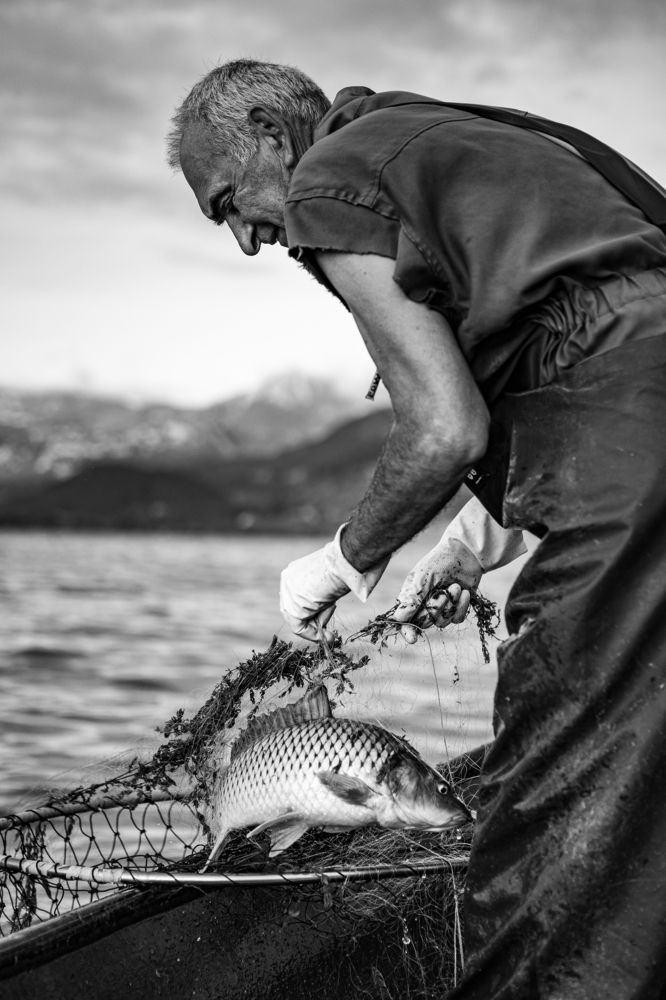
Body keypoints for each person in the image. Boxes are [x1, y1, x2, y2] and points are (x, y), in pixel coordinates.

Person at [167, 60, 666, 999]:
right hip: (631, 436)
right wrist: (483, 533)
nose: (243, 238)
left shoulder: (330, 180)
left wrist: (343, 558)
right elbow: (605, 313)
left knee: (552, 824)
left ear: (274, 133)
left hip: (631, 450)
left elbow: (444, 427)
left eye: (229, 200)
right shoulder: (458, 134)